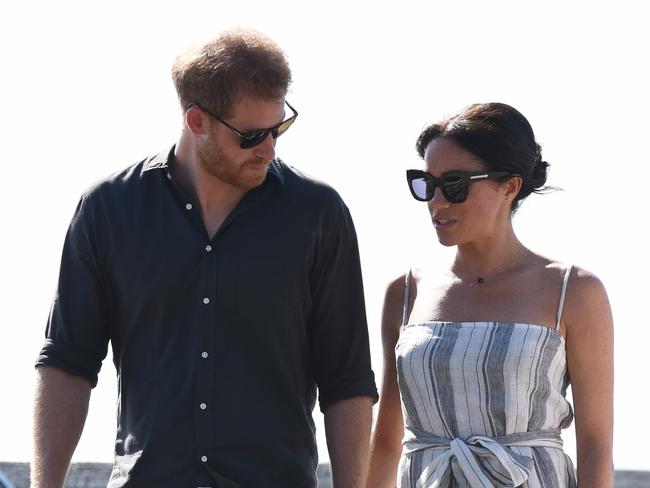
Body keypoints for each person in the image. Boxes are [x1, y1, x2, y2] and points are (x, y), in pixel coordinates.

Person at [32, 28, 377, 488]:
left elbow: (346, 378)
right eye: (252, 135)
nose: (270, 149)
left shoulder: (318, 214)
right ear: (197, 121)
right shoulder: (108, 210)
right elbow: (67, 362)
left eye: (279, 128)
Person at [366, 103, 613, 487]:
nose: (437, 201)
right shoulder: (405, 292)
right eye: (426, 183)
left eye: (455, 185)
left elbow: (595, 445)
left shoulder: (574, 290)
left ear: (510, 186)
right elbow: (385, 441)